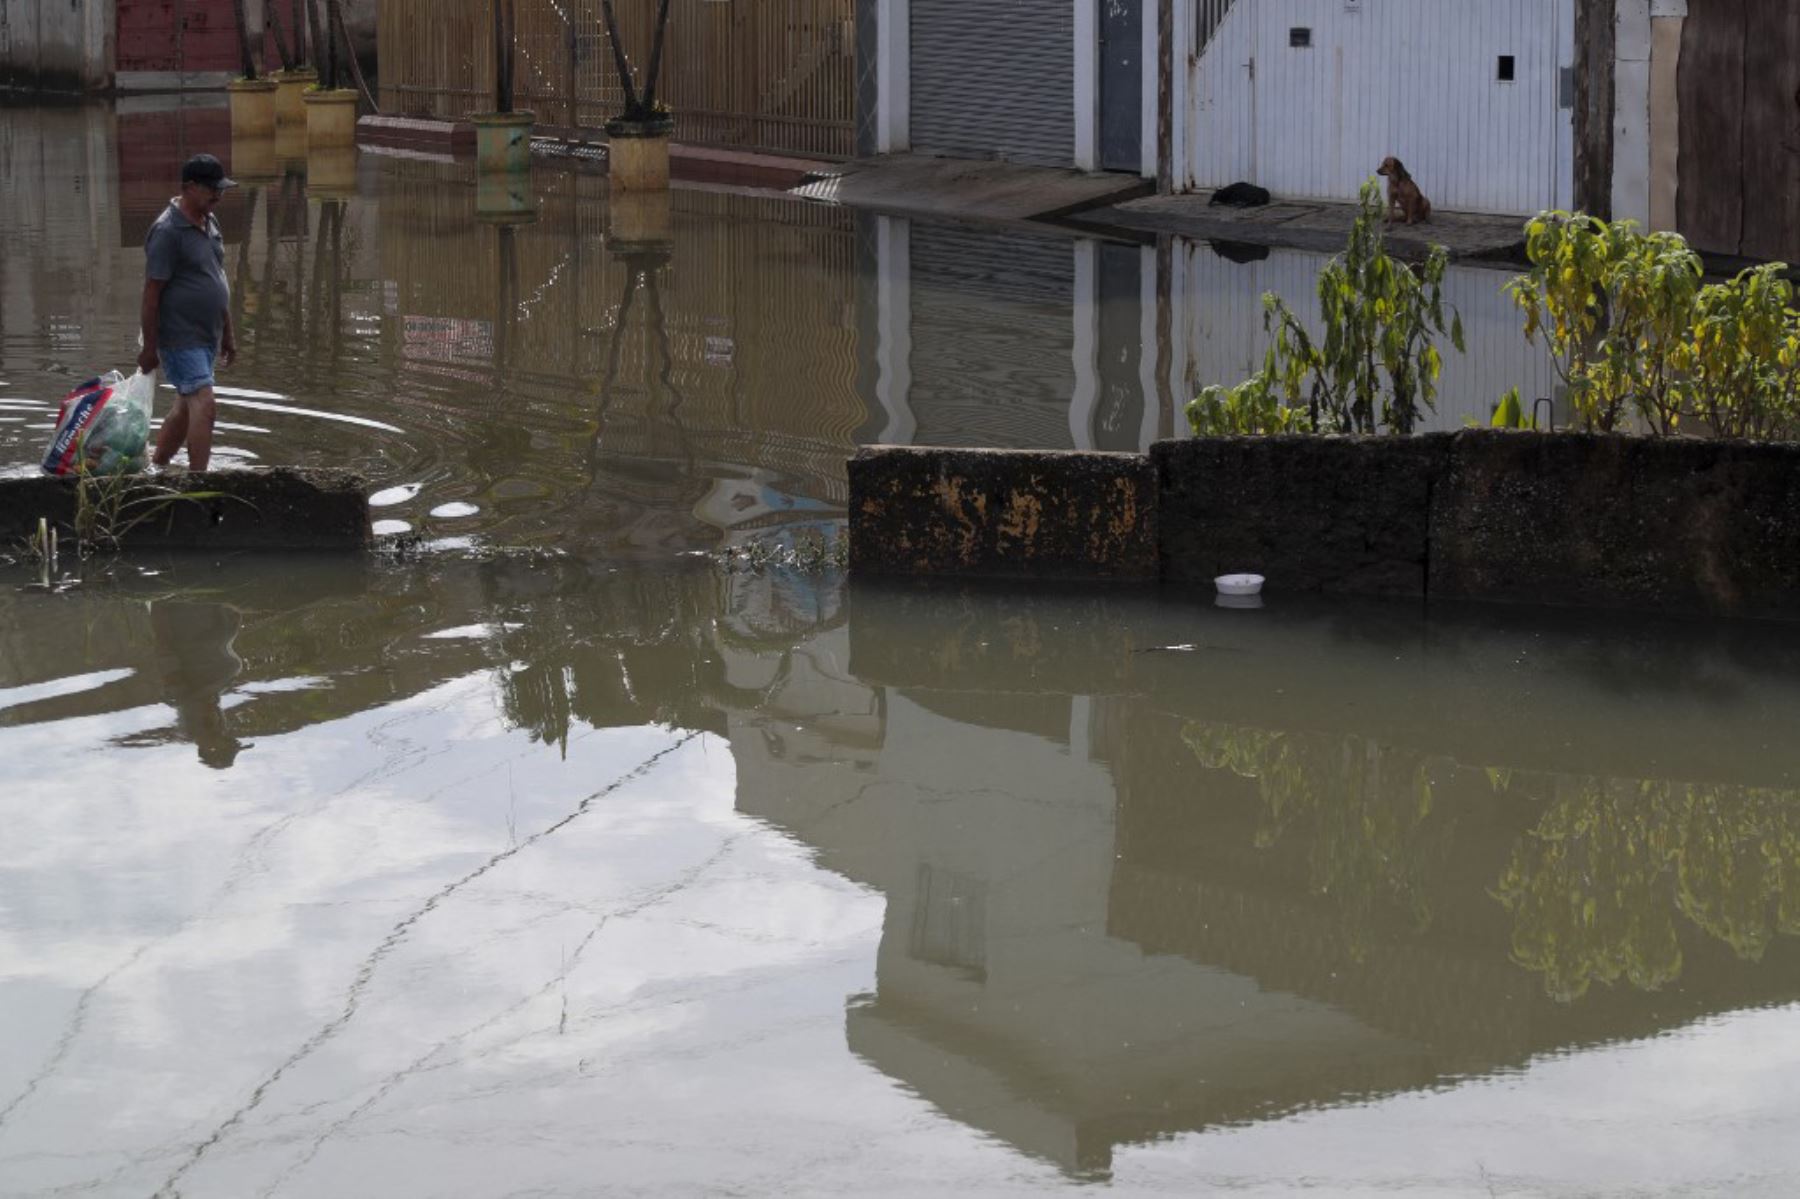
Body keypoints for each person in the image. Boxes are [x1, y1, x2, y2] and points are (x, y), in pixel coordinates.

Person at [140, 153, 238, 472]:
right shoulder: (167, 231)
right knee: (205, 404)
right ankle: (199, 483)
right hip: (180, 335)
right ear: (189, 188)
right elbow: (151, 294)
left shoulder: (210, 221)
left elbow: (216, 276)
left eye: (221, 189)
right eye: (212, 189)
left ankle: (157, 466)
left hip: (207, 333)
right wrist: (150, 348)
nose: (219, 195)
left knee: (185, 407)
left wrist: (228, 331)